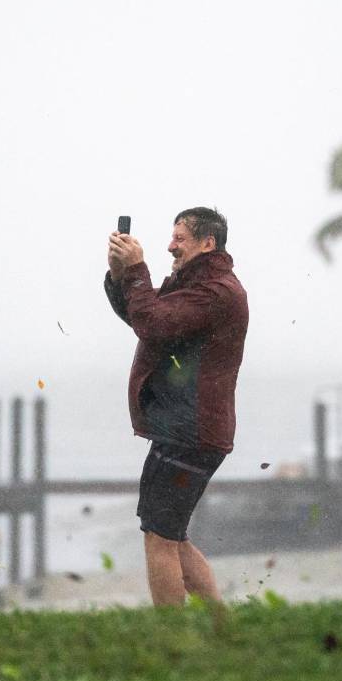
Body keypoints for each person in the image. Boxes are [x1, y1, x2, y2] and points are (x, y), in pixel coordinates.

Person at [104, 207, 249, 607]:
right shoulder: (194, 285)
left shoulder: (215, 291)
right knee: (171, 534)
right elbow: (141, 315)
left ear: (208, 243)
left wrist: (136, 270)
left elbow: (153, 323)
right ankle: (221, 627)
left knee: (160, 537)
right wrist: (120, 276)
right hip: (184, 429)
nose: (170, 246)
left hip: (192, 432)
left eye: (179, 239)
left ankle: (173, 639)